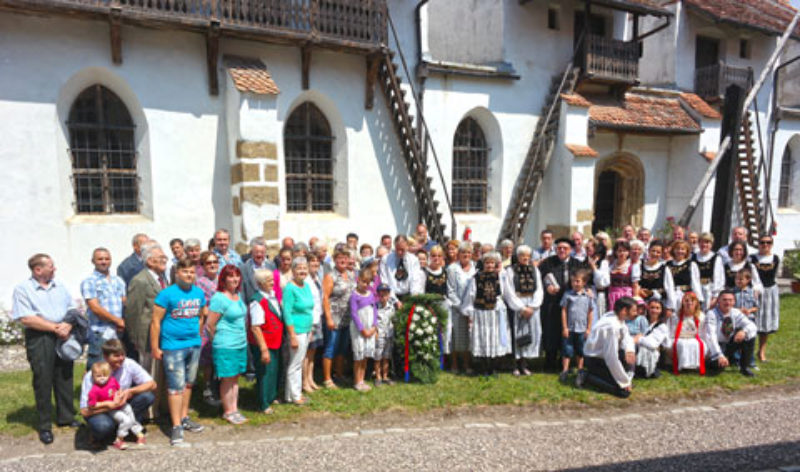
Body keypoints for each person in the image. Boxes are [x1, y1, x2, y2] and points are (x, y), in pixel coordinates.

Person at [12, 253, 79, 444]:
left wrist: (67, 324)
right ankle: (44, 426)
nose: (54, 269)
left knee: (65, 375)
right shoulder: (23, 290)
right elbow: (26, 318)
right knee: (43, 379)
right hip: (40, 337)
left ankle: (66, 417)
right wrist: (55, 328)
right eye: (51, 266)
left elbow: (72, 309)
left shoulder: (60, 287)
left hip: (63, 334)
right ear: (38, 270)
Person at [150, 258, 207, 446]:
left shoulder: (199, 293)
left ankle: (184, 417)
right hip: (173, 346)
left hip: (193, 344)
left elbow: (201, 315)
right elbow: (156, 322)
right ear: (177, 273)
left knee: (188, 384)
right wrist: (155, 347)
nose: (189, 275)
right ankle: (175, 427)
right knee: (175, 387)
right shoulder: (167, 294)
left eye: (192, 272)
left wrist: (197, 334)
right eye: (185, 272)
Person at [79, 339, 156, 446]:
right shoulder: (93, 375)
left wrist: (130, 391)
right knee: (103, 426)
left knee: (147, 396)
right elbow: (84, 411)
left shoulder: (128, 364)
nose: (121, 359)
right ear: (106, 357)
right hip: (100, 410)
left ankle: (125, 429)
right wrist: (109, 405)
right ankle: (99, 433)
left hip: (121, 406)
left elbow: (152, 384)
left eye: (122, 355)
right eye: (116, 356)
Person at [125, 243, 168, 419]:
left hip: (163, 334)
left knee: (161, 374)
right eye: (161, 258)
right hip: (147, 336)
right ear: (150, 261)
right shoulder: (140, 280)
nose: (165, 260)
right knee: (149, 374)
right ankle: (148, 411)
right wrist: (136, 339)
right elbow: (133, 312)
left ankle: (161, 407)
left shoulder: (162, 277)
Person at [539, 238, 590, 371]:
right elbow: (542, 276)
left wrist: (587, 290)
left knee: (569, 332)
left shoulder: (578, 264)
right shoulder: (548, 262)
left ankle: (567, 362)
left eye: (565, 248)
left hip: (572, 304)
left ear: (571, 250)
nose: (561, 250)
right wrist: (547, 286)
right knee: (551, 331)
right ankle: (550, 361)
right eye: (559, 248)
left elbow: (585, 279)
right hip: (552, 302)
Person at [206, 265, 248, 425]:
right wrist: (216, 341)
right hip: (226, 344)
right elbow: (210, 325)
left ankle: (234, 408)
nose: (235, 279)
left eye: (237, 276)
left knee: (235, 378)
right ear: (223, 279)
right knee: (227, 379)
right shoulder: (219, 298)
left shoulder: (237, 295)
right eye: (230, 276)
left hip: (240, 343)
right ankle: (228, 411)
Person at [460, 252, 509, 377]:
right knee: (483, 337)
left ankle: (493, 367)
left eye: (492, 263)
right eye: (487, 263)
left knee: (494, 338)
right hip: (481, 312)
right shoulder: (476, 277)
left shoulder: (500, 277)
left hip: (494, 312)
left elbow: (503, 293)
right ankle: (484, 368)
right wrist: (470, 312)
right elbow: (471, 295)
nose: (489, 265)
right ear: (483, 264)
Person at [576, 297, 636, 398]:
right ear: (624, 311)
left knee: (632, 353)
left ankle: (618, 379)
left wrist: (629, 350)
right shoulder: (612, 326)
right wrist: (624, 382)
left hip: (603, 357)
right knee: (623, 393)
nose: (636, 313)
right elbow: (611, 358)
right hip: (595, 360)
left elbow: (626, 336)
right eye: (633, 310)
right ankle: (587, 376)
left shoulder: (616, 316)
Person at [81, 247, 126, 370]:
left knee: (116, 366)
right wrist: (117, 321)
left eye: (107, 258)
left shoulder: (118, 281)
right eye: (100, 259)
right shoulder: (89, 282)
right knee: (97, 367)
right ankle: (90, 389)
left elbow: (124, 302)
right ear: (93, 261)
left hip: (117, 331)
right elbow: (95, 307)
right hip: (100, 331)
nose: (104, 261)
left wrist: (123, 322)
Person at [502, 245, 543, 376]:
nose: (525, 258)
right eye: (522, 255)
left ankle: (524, 363)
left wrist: (532, 306)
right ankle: (515, 363)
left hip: (532, 304)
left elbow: (539, 289)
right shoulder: (510, 271)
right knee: (517, 333)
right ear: (518, 256)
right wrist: (521, 308)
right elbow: (508, 291)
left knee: (530, 334)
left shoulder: (535, 270)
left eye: (527, 255)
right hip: (518, 305)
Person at [86, 361, 145, 449]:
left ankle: (137, 432)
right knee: (126, 420)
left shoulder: (112, 381)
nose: (102, 378)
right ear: (93, 377)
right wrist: (107, 403)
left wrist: (120, 394)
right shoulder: (94, 390)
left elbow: (119, 388)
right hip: (111, 409)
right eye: (98, 376)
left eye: (105, 375)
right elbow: (92, 405)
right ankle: (119, 439)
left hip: (120, 404)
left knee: (130, 412)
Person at [248, 270, 283, 414]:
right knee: (264, 373)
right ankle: (263, 403)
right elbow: (256, 327)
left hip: (276, 341)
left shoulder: (271, 297)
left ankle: (271, 396)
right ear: (260, 283)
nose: (272, 282)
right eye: (268, 280)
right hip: (264, 343)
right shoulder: (257, 301)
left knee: (274, 370)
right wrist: (263, 349)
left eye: (272, 279)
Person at [321, 248, 356, 388]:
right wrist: (328, 318)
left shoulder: (351, 274)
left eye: (345, 258)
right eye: (340, 258)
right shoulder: (331, 276)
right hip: (334, 318)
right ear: (335, 260)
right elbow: (325, 298)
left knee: (342, 348)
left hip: (347, 318)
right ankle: (327, 379)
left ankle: (339, 374)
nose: (343, 260)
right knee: (331, 347)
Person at [282, 257, 314, 405]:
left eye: (304, 268)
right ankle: (296, 396)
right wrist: (292, 335)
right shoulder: (289, 288)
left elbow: (309, 308)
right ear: (293, 271)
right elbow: (287, 313)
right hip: (297, 330)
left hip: (306, 329)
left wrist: (311, 328)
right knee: (295, 363)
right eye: (299, 268)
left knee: (299, 361)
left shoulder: (306, 286)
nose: (302, 271)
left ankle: (290, 395)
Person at [705, 290, 758, 377]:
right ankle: (710, 363)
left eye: (730, 300)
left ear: (734, 302)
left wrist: (744, 332)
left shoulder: (735, 312)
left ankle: (744, 367)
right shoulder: (711, 314)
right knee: (718, 368)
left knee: (749, 335)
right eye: (724, 300)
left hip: (729, 344)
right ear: (718, 301)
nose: (727, 302)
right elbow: (711, 337)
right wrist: (719, 356)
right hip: (713, 347)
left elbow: (752, 326)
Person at [195, 251, 221, 407]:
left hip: (223, 323)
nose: (212, 265)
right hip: (208, 323)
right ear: (203, 266)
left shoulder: (221, 280)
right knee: (208, 360)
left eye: (214, 262)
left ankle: (219, 387)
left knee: (220, 357)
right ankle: (207, 389)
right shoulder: (200, 282)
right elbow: (201, 306)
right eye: (208, 263)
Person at [446, 242, 476, 373]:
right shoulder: (452, 268)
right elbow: (450, 290)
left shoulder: (475, 268)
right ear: (459, 254)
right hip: (456, 308)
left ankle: (467, 364)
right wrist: (460, 306)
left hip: (471, 309)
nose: (466, 255)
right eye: (463, 252)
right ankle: (454, 364)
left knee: (468, 337)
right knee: (455, 336)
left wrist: (470, 308)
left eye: (468, 253)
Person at [559, 270, 593, 382]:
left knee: (580, 350)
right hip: (570, 328)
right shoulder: (568, 294)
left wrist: (588, 328)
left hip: (582, 328)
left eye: (578, 281)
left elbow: (590, 312)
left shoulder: (588, 296)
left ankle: (580, 370)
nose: (575, 283)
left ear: (584, 282)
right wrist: (564, 327)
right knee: (567, 350)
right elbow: (563, 310)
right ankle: (565, 370)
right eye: (573, 281)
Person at [750, 235, 780, 362]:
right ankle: (748, 351)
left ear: (771, 244)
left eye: (768, 242)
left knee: (766, 323)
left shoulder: (775, 258)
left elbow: (775, 275)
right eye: (762, 242)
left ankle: (761, 351)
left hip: (770, 291)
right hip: (755, 291)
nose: (765, 245)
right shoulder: (752, 258)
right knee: (752, 321)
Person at [349, 270, 378, 391]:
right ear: (358, 280)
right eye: (363, 281)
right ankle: (357, 381)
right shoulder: (354, 296)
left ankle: (362, 379)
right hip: (359, 330)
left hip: (370, 328)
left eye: (368, 282)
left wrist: (374, 327)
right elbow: (354, 314)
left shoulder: (371, 294)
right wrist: (362, 329)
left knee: (365, 355)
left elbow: (375, 310)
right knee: (359, 356)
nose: (365, 284)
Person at [667, 292, 709, 375]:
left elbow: (703, 333)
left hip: (695, 338)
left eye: (692, 300)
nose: (689, 303)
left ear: (696, 302)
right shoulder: (675, 316)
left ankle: (695, 366)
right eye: (686, 300)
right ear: (682, 302)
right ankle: (682, 366)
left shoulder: (701, 316)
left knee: (696, 344)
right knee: (681, 344)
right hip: (679, 338)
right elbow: (670, 332)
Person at [379, 235, 423, 304]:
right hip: (391, 296)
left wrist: (413, 297)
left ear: (407, 246)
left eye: (402, 249)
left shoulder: (414, 260)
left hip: (409, 296)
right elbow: (384, 281)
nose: (399, 252)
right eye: (397, 249)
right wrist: (395, 301)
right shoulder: (385, 260)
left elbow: (415, 280)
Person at [303, 253, 324, 393]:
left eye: (317, 263)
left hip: (317, 318)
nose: (315, 265)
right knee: (305, 353)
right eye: (312, 263)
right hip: (308, 320)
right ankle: (304, 382)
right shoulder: (305, 280)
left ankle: (310, 378)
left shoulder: (317, 278)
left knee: (313, 352)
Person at [635, 299, 669, 379]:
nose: (654, 310)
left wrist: (639, 338)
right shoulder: (642, 321)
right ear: (648, 309)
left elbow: (653, 344)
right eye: (652, 307)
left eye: (657, 308)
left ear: (661, 310)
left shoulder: (662, 326)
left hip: (653, 353)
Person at [638, 241, 675, 311]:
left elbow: (669, 288)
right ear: (648, 251)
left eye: (658, 252)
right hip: (642, 304)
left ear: (661, 254)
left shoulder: (664, 268)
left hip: (659, 305)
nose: (655, 254)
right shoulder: (640, 266)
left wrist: (670, 307)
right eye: (653, 251)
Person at [667, 240, 704, 309]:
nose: (680, 251)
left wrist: (698, 299)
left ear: (687, 251)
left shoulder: (691, 265)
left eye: (683, 249)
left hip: (686, 297)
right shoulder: (667, 265)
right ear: (673, 250)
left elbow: (695, 283)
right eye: (677, 248)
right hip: (670, 296)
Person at [241, 237, 277, 305]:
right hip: (251, 305)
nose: (259, 255)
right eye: (256, 252)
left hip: (269, 306)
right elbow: (242, 291)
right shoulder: (244, 268)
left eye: (262, 252)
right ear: (251, 252)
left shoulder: (272, 266)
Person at [693, 233, 723, 311]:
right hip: (695, 290)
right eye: (701, 242)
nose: (704, 244)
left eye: (707, 242)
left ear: (711, 244)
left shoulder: (716, 258)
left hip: (709, 290)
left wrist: (715, 296)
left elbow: (719, 278)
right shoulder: (693, 257)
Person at [607, 240, 640, 310]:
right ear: (616, 252)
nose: (622, 253)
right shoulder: (610, 266)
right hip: (613, 296)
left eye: (625, 251)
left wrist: (635, 299)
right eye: (620, 251)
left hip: (626, 296)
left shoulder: (632, 266)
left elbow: (635, 285)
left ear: (628, 252)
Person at [374, 284, 395, 386]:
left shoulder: (391, 307)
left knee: (387, 356)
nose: (383, 297)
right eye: (381, 295)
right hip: (379, 335)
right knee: (378, 356)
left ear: (389, 295)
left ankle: (385, 376)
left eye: (385, 295)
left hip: (389, 334)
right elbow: (373, 322)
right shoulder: (375, 307)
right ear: (378, 295)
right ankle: (378, 376)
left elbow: (393, 320)